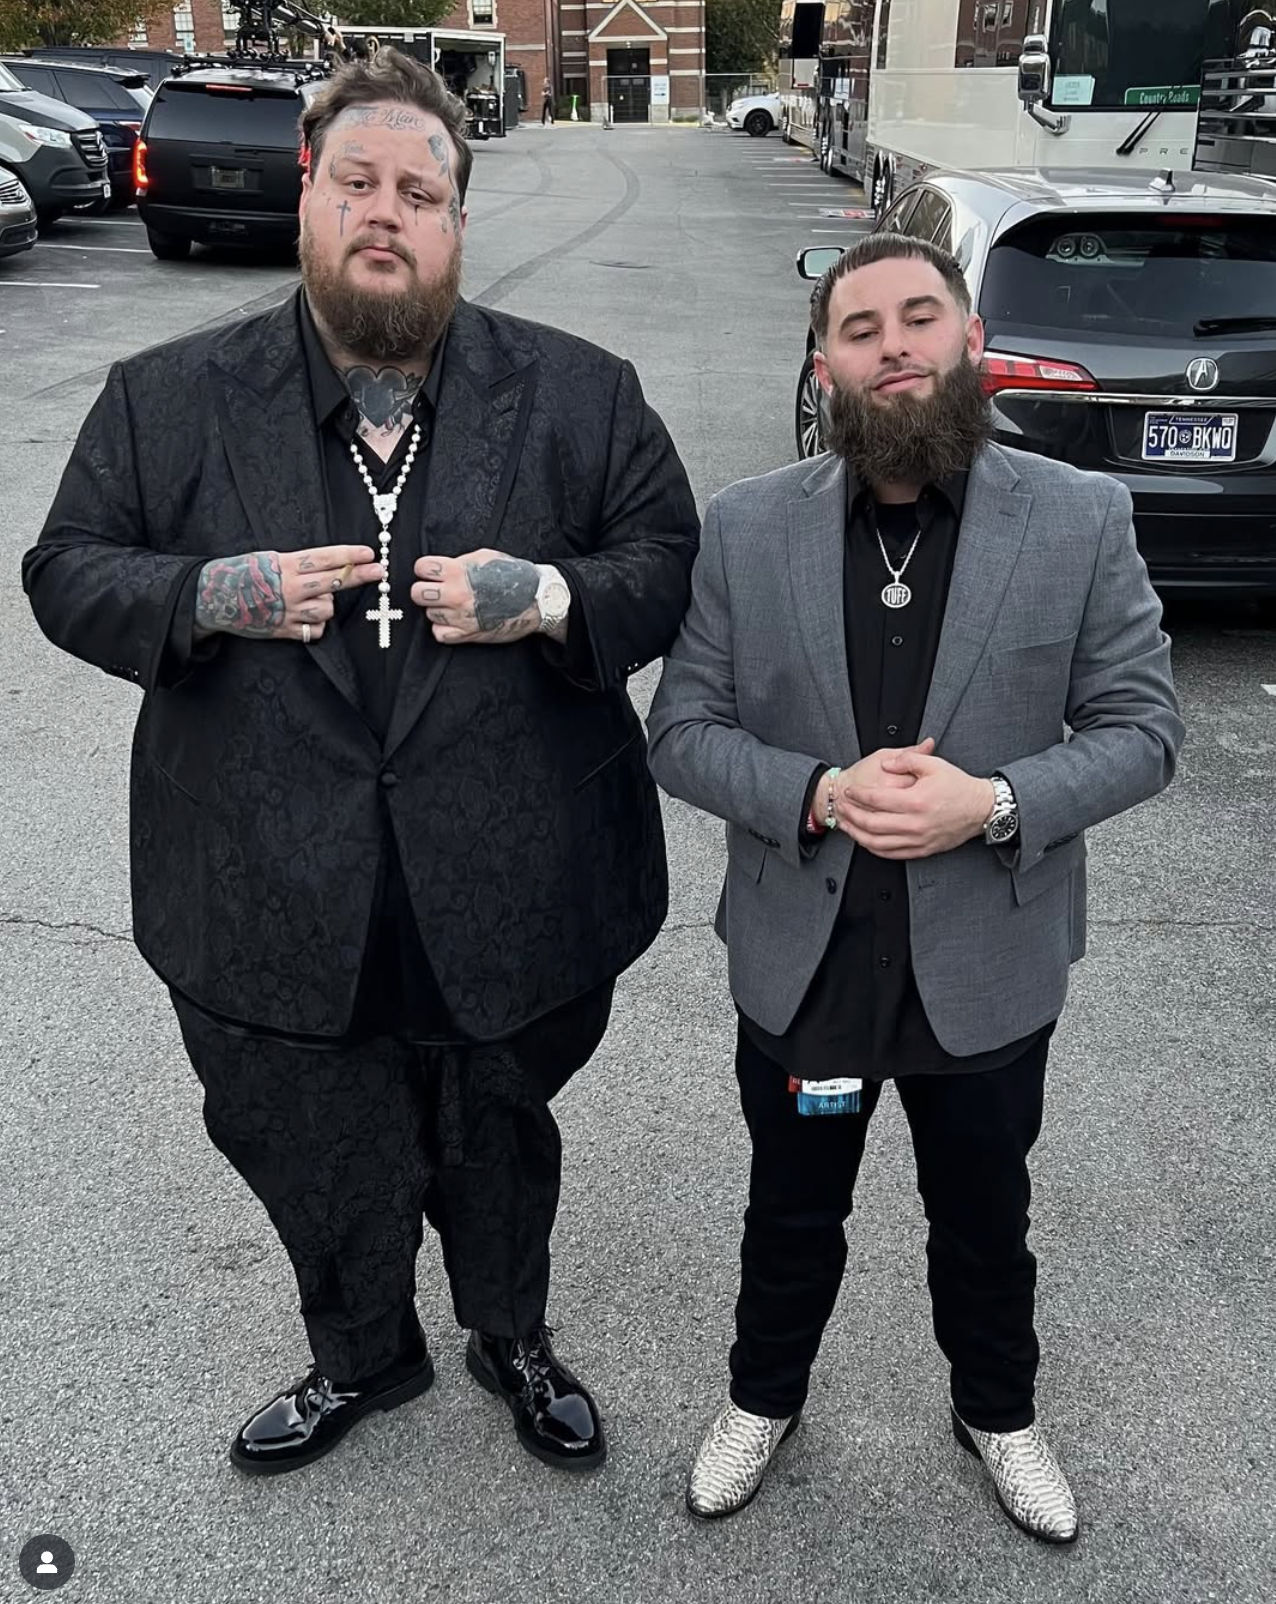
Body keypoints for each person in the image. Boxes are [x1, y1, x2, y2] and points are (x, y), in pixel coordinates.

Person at [24, 48, 698, 1478]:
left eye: (420, 192)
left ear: (457, 221)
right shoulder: (165, 399)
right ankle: (360, 1356)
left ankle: (509, 1333)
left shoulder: (582, 396)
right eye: (357, 183)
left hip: (513, 884)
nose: (385, 212)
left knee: (498, 1132)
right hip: (268, 886)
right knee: (311, 1142)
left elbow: (664, 565)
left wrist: (551, 599)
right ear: (307, 196)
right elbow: (66, 571)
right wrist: (212, 593)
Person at [646, 232, 1184, 1541]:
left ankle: (999, 1413)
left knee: (984, 1214)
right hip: (811, 966)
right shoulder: (748, 527)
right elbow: (682, 732)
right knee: (793, 1206)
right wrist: (820, 794)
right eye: (860, 329)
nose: (893, 346)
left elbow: (1143, 729)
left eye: (919, 318)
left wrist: (990, 803)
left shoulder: (1077, 517)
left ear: (969, 339)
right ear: (823, 366)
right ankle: (761, 1400)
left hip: (984, 969)